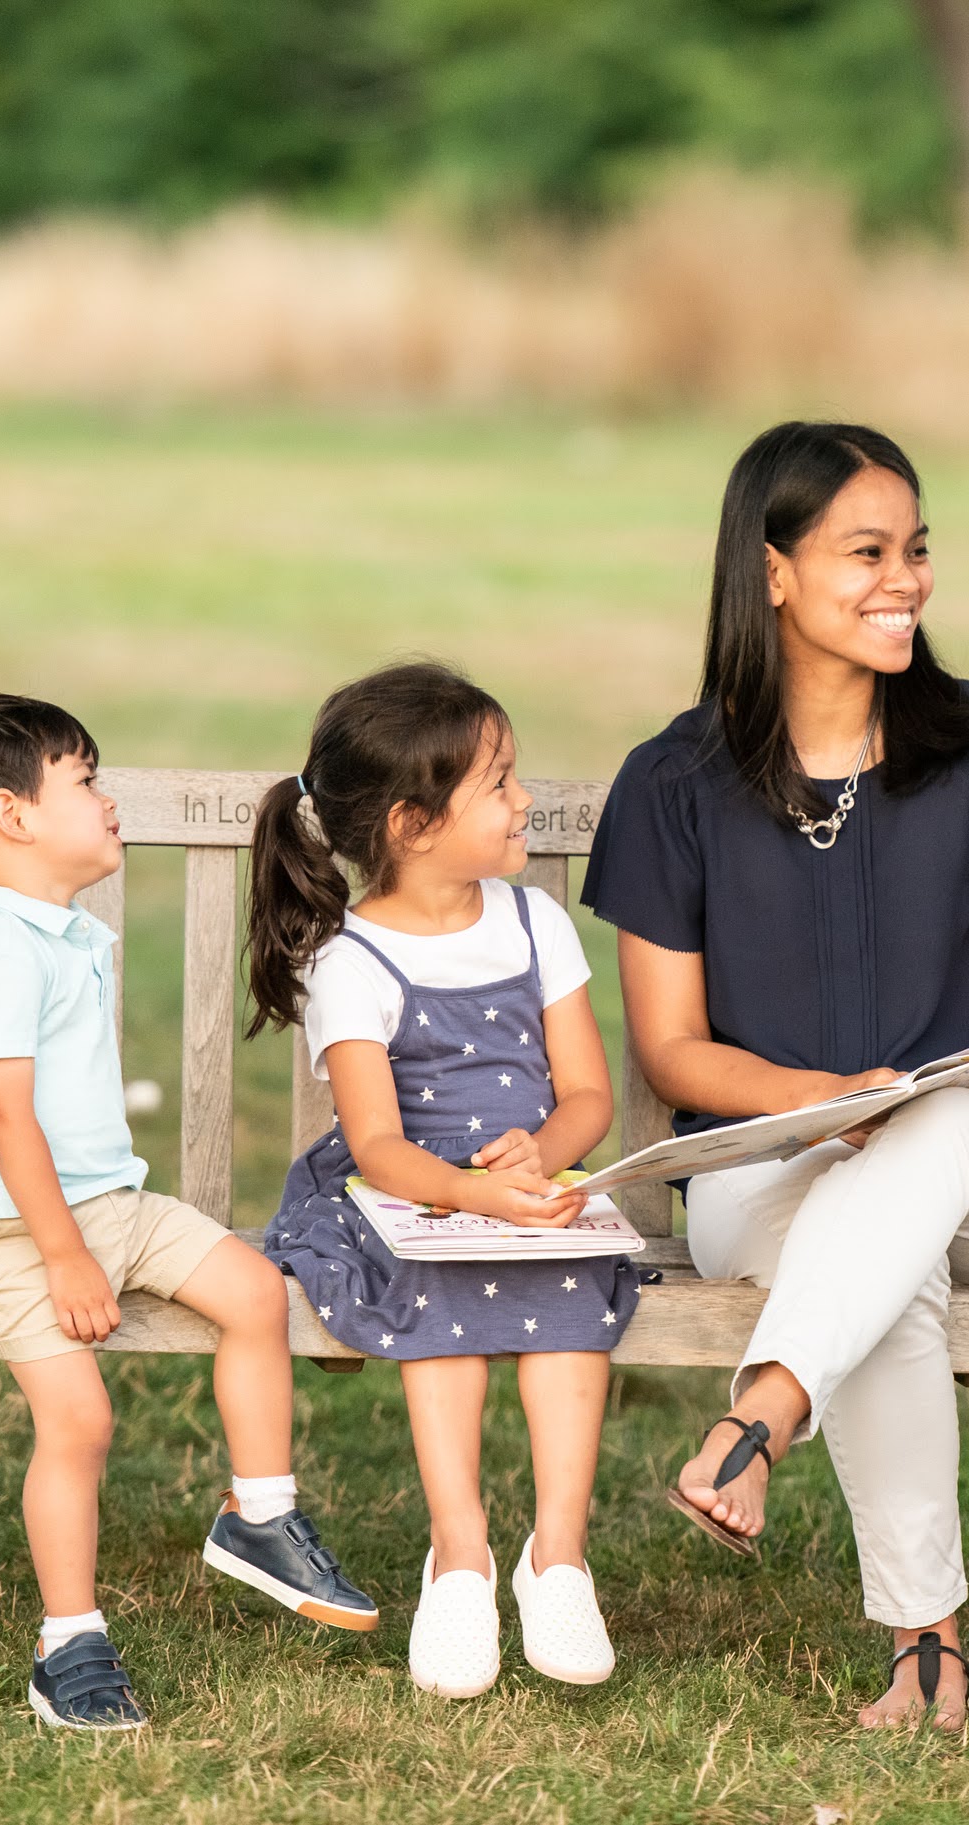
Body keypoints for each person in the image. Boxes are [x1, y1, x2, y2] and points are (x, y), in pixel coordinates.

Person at [582, 421, 969, 1731]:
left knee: (924, 1140)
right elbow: (671, 1049)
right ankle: (924, 1649)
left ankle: (761, 1414)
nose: (905, 580)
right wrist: (827, 1098)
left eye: (917, 550)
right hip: (768, 1170)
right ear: (770, 572)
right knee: (884, 1255)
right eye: (866, 551)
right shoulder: (672, 782)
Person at [0, 695, 376, 1735]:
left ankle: (260, 1515)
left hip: (108, 1204)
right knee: (81, 1419)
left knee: (253, 1293)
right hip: (11, 1226)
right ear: (13, 817)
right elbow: (5, 1117)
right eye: (87, 782)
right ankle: (70, 1644)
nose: (109, 803)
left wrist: (92, 1232)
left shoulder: (57, 933)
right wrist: (65, 1258)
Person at [249, 661, 634, 1700]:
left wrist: (544, 1155)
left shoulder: (530, 923)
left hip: (524, 1187)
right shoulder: (351, 961)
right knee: (444, 1286)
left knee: (566, 1290)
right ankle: (458, 1553)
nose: (524, 800)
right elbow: (375, 1143)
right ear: (415, 824)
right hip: (405, 1198)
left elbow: (589, 1094)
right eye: (500, 783)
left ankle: (557, 1553)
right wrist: (466, 1197)